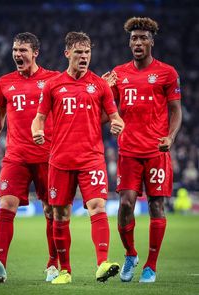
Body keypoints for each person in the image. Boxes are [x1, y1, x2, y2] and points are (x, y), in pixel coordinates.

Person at [31, 31, 125, 284]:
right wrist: (37, 131)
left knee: (98, 206)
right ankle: (65, 271)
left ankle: (102, 263)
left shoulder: (100, 85)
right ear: (67, 53)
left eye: (87, 53)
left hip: (91, 158)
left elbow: (114, 116)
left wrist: (118, 123)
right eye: (79, 53)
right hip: (59, 159)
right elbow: (39, 118)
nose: (84, 57)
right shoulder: (53, 85)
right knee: (60, 215)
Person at [0, 32, 60, 283]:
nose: (17, 54)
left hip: (48, 155)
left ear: (35, 53)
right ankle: (0, 263)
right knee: (6, 205)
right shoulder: (5, 83)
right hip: (16, 156)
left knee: (51, 210)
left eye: (22, 50)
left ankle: (53, 264)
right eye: (15, 50)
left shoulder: (53, 79)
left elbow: (76, 90)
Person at [111, 17, 182, 283]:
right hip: (128, 150)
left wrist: (170, 136)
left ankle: (151, 265)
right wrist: (106, 98)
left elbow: (176, 111)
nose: (138, 42)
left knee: (156, 205)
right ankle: (131, 253)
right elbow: (106, 111)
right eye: (134, 38)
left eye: (142, 38)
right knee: (126, 203)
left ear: (151, 41)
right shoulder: (118, 74)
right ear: (129, 43)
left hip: (156, 150)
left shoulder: (167, 72)